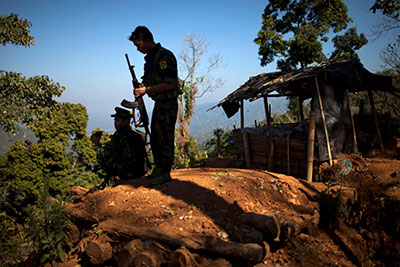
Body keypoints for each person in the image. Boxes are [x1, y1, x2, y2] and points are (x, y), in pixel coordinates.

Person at [129, 26, 179, 185]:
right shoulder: (151, 58)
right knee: (156, 136)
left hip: (168, 103)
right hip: (159, 103)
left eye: (139, 45)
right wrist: (141, 85)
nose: (138, 49)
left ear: (147, 40)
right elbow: (152, 79)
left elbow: (170, 84)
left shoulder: (164, 56)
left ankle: (165, 172)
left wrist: (147, 90)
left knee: (165, 136)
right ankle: (159, 168)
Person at [95, 107, 146, 188]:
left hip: (126, 174)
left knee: (103, 157)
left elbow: (104, 154)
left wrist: (97, 144)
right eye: (115, 120)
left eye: (118, 120)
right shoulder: (138, 135)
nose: (115, 123)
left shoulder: (119, 135)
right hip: (139, 172)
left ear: (126, 121)